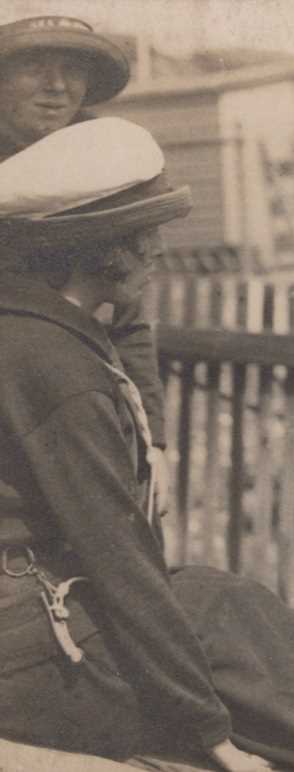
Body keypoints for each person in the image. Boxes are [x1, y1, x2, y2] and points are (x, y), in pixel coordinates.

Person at [0, 117, 294, 771]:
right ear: (99, 250)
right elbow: (119, 563)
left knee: (249, 619)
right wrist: (211, 736)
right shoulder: (59, 367)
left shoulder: (36, 334)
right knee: (283, 661)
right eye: (146, 237)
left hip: (30, 613)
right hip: (24, 639)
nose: (159, 254)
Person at [0, 15, 169, 518]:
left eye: (72, 70)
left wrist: (154, 442)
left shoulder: (111, 163)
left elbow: (130, 316)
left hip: (72, 400)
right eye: (36, 67)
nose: (56, 86)